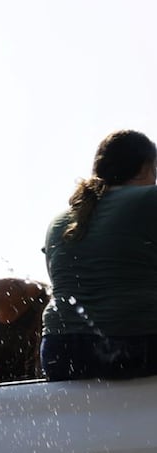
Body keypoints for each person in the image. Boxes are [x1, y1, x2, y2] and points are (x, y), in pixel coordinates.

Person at [42, 129, 157, 382]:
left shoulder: (58, 222)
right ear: (146, 167)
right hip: (133, 348)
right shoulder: (149, 198)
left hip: (60, 352)